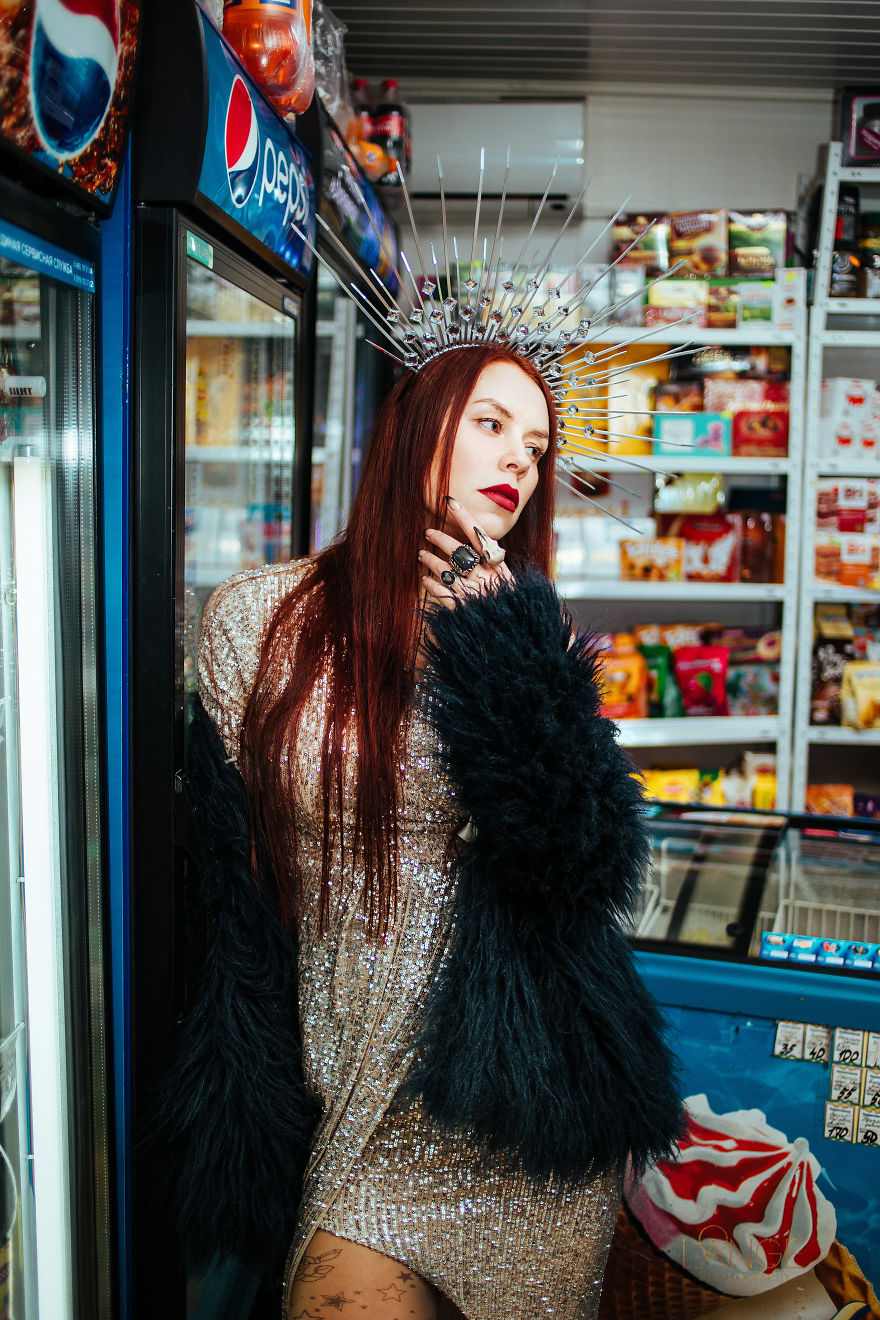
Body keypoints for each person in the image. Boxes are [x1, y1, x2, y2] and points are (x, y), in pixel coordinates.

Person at [165, 341, 684, 1319]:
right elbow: (229, 897)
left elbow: (580, 867)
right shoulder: (255, 618)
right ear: (414, 433)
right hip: (350, 1098)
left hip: (506, 1108)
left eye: (534, 448)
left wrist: (514, 659)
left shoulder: (519, 627)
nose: (517, 465)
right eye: (490, 426)